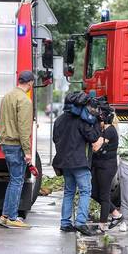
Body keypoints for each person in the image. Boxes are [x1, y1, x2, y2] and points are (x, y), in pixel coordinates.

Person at [53, 92, 104, 236]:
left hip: (64, 163)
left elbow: (55, 139)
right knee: (85, 191)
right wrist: (96, 123)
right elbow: (93, 137)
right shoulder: (82, 121)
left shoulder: (59, 120)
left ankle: (65, 222)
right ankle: (81, 223)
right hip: (79, 162)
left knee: (69, 191)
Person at [0, 70, 35, 228]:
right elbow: (24, 129)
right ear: (30, 83)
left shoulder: (7, 96)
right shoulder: (24, 101)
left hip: (6, 143)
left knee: (13, 180)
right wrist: (27, 151)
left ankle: (5, 215)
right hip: (16, 145)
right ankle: (12, 217)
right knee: (17, 181)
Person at [91, 108, 123, 230]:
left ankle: (102, 225)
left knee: (104, 196)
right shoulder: (104, 129)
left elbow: (96, 147)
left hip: (107, 167)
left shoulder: (110, 130)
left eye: (100, 117)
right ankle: (116, 214)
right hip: (99, 166)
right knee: (94, 193)